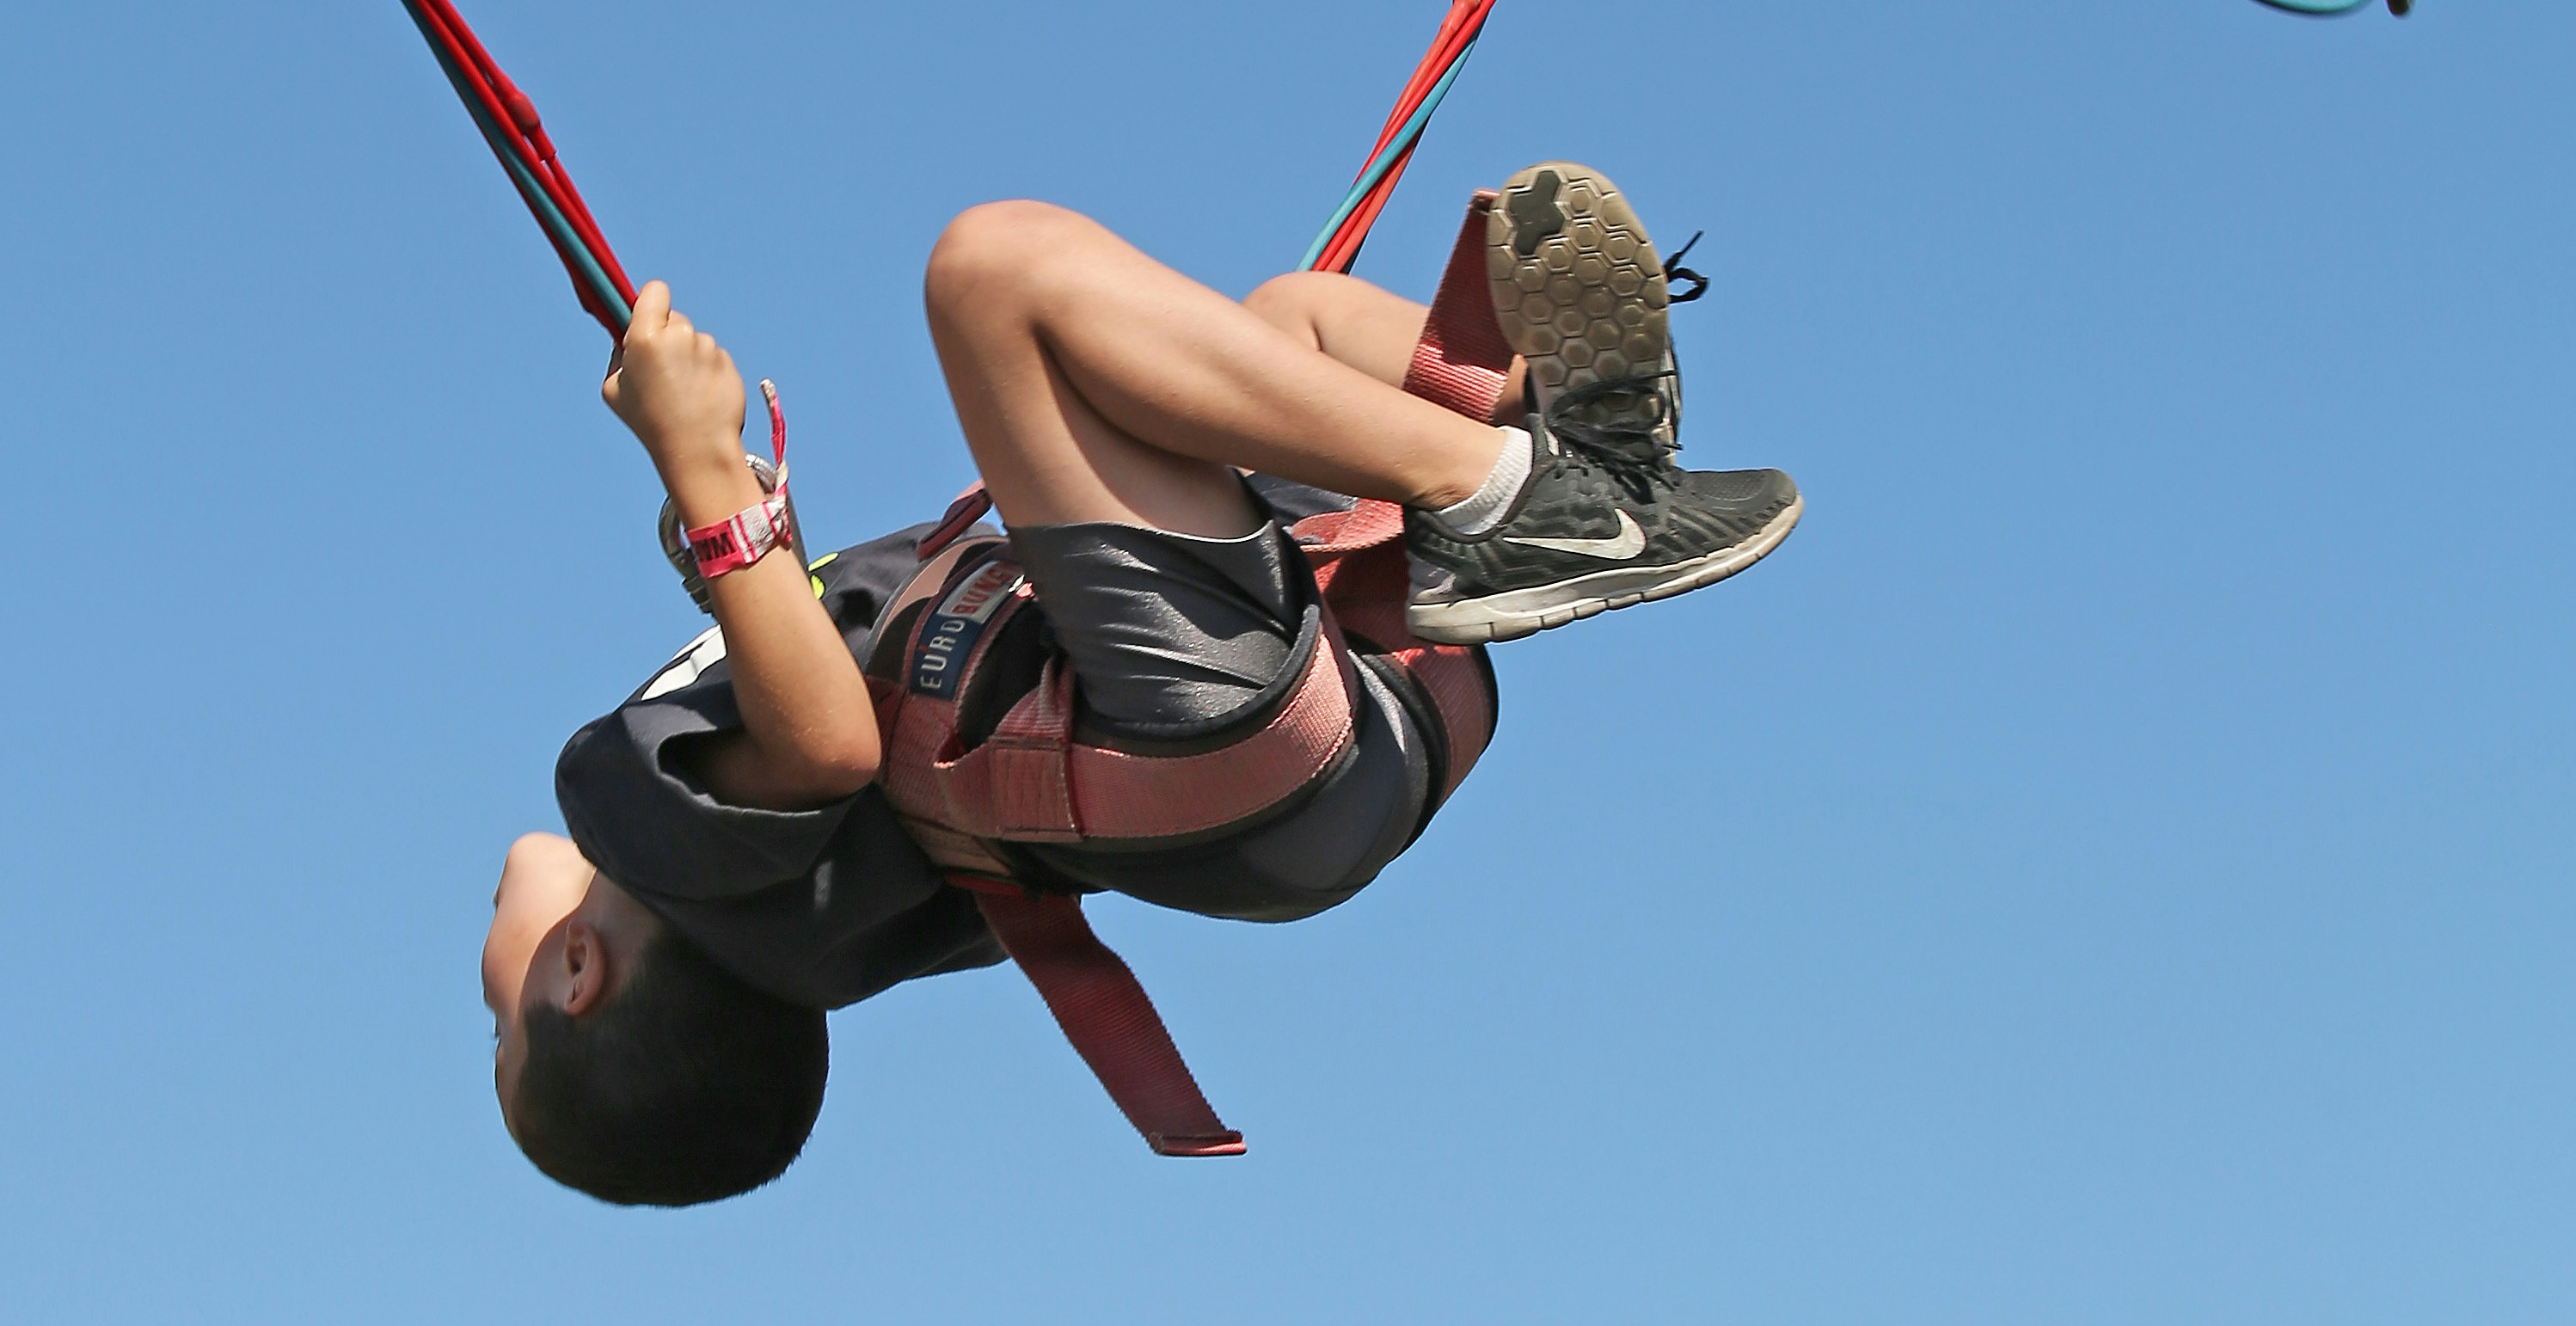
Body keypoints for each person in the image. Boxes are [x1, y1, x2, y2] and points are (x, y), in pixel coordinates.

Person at [481, 162, 1800, 1206]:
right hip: (1210, 737)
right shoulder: (645, 834)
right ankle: (1518, 489)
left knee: (1291, 322)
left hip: (1314, 760)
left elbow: (827, 715)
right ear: (577, 974)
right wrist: (700, 464)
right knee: (995, 273)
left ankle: (1552, 431)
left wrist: (734, 563)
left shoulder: (817, 932)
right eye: (496, 1039)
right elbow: (825, 741)